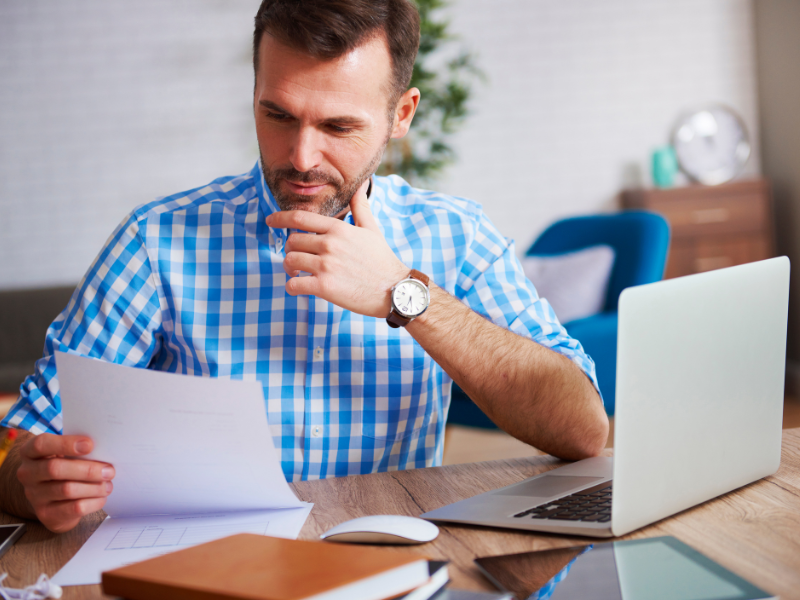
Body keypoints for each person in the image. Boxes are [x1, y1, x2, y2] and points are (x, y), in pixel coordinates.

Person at [0, 0, 608, 534]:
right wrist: (30, 482)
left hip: (386, 562)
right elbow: (19, 444)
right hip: (206, 568)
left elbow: (584, 430)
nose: (301, 157)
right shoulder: (156, 241)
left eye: (339, 126)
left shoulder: (457, 235)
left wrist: (404, 294)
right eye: (278, 115)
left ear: (402, 115)